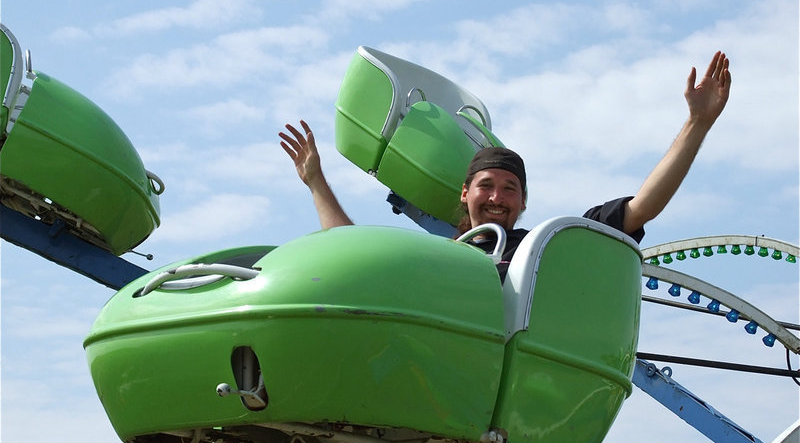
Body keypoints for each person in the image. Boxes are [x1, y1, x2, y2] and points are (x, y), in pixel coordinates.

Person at [279, 51, 731, 279]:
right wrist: (317, 181)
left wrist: (696, 124)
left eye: (510, 189)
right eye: (487, 185)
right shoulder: (437, 259)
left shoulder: (542, 248)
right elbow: (352, 254)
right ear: (464, 193)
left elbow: (641, 208)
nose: (497, 197)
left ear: (523, 202)